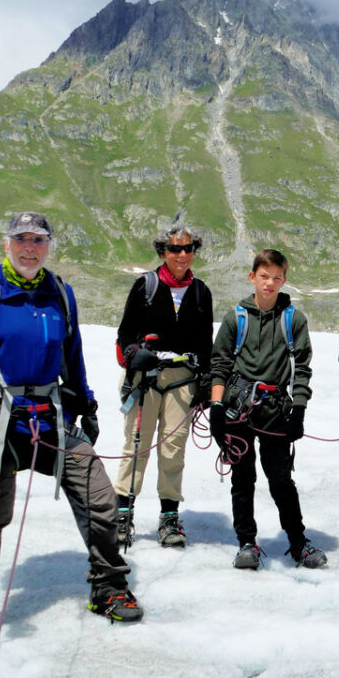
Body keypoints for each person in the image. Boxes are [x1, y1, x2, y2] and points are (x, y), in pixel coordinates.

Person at [0, 212, 142, 646]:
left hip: (52, 421)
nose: (30, 247)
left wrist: (85, 401)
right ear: (6, 243)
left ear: (48, 245)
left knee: (100, 498)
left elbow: (72, 352)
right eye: (21, 239)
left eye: (39, 240)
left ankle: (109, 589)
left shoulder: (59, 292)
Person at [207, 249, 326, 571]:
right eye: (264, 277)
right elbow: (219, 366)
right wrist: (217, 408)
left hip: (275, 411)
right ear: (252, 277)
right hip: (237, 410)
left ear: (284, 280)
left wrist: (298, 412)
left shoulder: (293, 320)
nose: (270, 283)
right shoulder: (236, 319)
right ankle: (247, 542)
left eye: (276, 278)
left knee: (281, 480)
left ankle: (298, 541)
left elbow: (302, 369)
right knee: (242, 478)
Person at [114, 224, 213, 548]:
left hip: (182, 379)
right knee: (136, 446)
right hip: (145, 377)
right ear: (162, 252)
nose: (182, 255)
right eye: (174, 249)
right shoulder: (146, 285)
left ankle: (169, 517)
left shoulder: (201, 292)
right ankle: (122, 515)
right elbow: (126, 332)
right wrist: (133, 354)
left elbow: (204, 344)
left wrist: (204, 384)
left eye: (188, 248)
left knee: (173, 449)